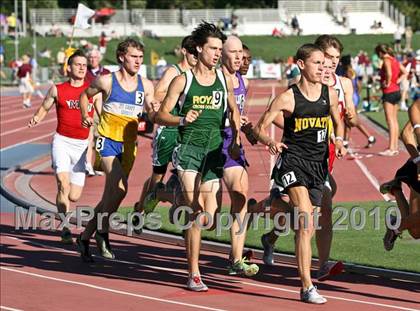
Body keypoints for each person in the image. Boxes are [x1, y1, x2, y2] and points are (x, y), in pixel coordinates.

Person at [251, 43, 346, 304]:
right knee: (305, 221)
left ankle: (271, 215)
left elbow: (337, 120)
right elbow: (259, 127)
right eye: (317, 63)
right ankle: (307, 287)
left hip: (318, 166)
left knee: (305, 226)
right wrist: (270, 142)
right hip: (293, 163)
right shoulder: (287, 98)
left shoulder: (330, 94)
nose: (323, 67)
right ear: (301, 65)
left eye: (325, 63)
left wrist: (338, 139)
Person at [155, 22, 242, 292]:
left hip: (214, 151)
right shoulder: (183, 79)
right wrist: (182, 118)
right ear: (199, 48)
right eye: (213, 48)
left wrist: (237, 137)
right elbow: (160, 115)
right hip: (189, 150)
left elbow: (233, 110)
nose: (217, 54)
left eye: (220, 49)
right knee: (196, 212)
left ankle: (165, 194)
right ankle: (194, 273)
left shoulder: (223, 78)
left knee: (210, 217)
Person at [76, 38, 158, 262]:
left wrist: (155, 111)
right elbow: (85, 96)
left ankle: (84, 237)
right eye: (134, 57)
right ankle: (103, 233)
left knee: (110, 196)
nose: (138, 61)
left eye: (141, 57)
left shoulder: (146, 85)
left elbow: (151, 113)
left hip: (129, 145)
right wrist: (85, 115)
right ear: (122, 57)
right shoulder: (106, 81)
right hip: (107, 141)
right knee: (121, 189)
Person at [28, 50, 99, 244]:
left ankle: (64, 206)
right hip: (62, 141)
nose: (82, 67)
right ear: (69, 67)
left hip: (82, 146)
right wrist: (36, 117)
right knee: (62, 183)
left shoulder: (93, 90)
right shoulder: (57, 89)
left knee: (74, 196)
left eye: (85, 65)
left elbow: (102, 115)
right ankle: (66, 228)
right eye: (78, 64)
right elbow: (44, 107)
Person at [135, 35, 197, 220]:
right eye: (193, 52)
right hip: (168, 129)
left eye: (198, 52)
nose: (196, 55)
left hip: (186, 130)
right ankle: (140, 209)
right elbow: (157, 93)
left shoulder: (198, 73)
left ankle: (173, 203)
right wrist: (177, 94)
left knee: (186, 174)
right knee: (157, 175)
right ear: (184, 51)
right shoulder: (174, 71)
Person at [220, 35, 259, 276]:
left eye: (245, 58)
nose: (242, 61)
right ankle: (164, 191)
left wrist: (247, 129)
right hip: (211, 145)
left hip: (232, 146)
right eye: (238, 56)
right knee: (206, 217)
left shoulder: (242, 82)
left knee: (241, 197)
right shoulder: (217, 79)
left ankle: (236, 257)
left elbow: (238, 114)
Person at [380, 100, 420, 249]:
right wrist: (418, 160)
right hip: (416, 168)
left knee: (416, 232)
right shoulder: (417, 107)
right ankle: (395, 188)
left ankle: (395, 227)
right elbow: (406, 133)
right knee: (416, 231)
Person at [375, 44, 408, 156]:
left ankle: (391, 148)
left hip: (389, 92)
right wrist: (397, 81)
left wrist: (388, 82)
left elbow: (388, 72)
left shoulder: (386, 60)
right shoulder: (395, 60)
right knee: (394, 120)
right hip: (396, 91)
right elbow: (405, 72)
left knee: (390, 121)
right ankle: (395, 147)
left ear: (380, 52)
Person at [84, 48, 110, 176]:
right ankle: (88, 165)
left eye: (94, 57)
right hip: (89, 109)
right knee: (88, 139)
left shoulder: (106, 73)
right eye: (90, 57)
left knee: (101, 139)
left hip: (102, 109)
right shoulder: (84, 72)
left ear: (99, 58)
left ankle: (98, 165)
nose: (92, 59)